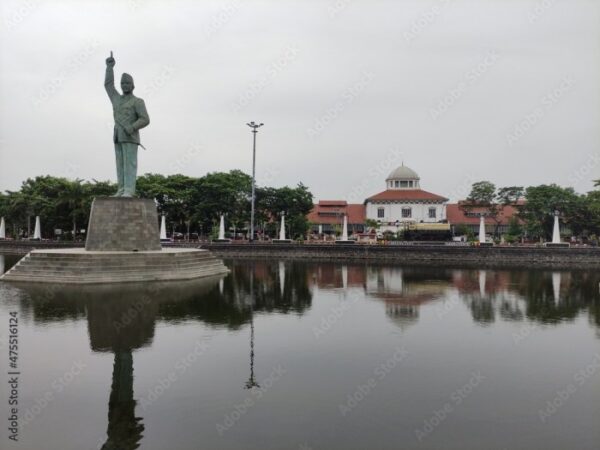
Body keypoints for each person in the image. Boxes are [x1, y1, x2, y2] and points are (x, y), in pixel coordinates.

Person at [105, 51, 150, 197]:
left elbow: (145, 119)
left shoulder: (138, 101)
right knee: (120, 164)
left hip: (130, 136)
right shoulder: (116, 99)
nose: (124, 85)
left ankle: (129, 190)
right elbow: (108, 85)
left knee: (129, 164)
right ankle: (121, 189)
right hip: (118, 136)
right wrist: (109, 68)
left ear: (133, 85)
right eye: (122, 83)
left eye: (127, 83)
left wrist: (132, 127)